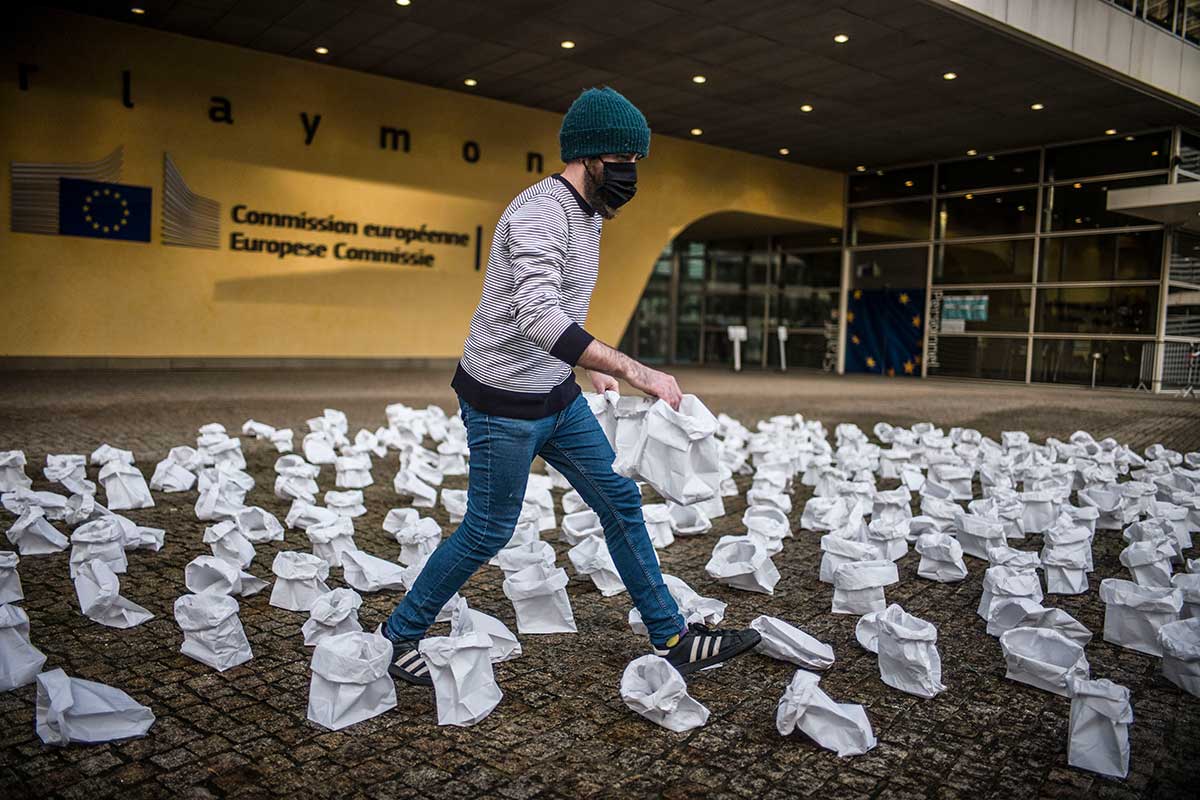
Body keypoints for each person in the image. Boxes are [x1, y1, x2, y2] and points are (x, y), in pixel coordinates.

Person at [383, 87, 760, 686]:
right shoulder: (539, 211)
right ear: (589, 157)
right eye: (625, 160)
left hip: (556, 395)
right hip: (501, 401)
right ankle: (398, 635)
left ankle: (672, 636)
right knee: (487, 528)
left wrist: (587, 363)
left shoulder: (588, 214)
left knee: (620, 500)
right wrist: (632, 369)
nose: (632, 174)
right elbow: (535, 317)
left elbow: (555, 310)